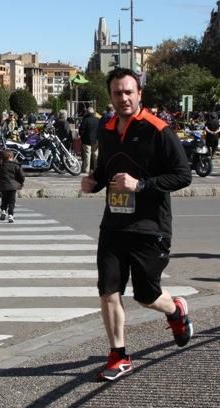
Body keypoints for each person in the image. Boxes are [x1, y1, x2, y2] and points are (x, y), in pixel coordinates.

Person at [80, 68, 193, 382]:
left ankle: (175, 310)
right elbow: (106, 170)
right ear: (111, 96)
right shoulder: (107, 128)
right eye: (117, 93)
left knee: (146, 295)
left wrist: (140, 185)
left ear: (139, 93)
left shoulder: (159, 130)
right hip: (113, 225)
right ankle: (119, 355)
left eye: (129, 92)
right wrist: (95, 183)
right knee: (108, 291)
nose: (123, 98)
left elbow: (183, 175)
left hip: (149, 226)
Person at [0, 150, 24, 223]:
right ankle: (10, 215)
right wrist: (20, 182)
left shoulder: (2, 166)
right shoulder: (16, 166)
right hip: (13, 187)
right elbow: (22, 176)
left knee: (4, 200)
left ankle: (3, 211)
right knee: (11, 201)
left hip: (4, 186)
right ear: (11, 157)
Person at [78, 107, 99, 173]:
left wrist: (82, 137)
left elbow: (81, 131)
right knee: (95, 155)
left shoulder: (85, 120)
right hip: (96, 141)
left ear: (87, 112)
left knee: (87, 155)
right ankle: (97, 169)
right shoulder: (97, 120)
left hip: (87, 141)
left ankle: (86, 169)